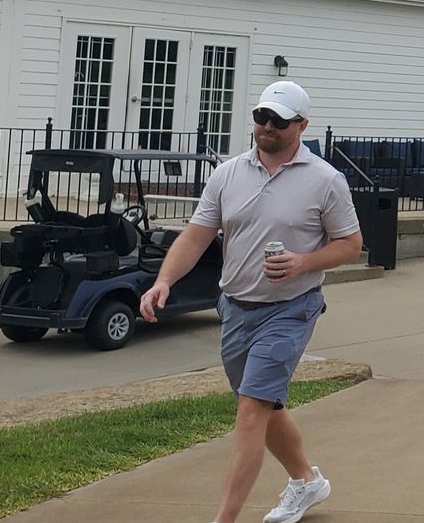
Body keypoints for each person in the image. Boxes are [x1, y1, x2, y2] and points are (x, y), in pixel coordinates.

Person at [138, 80, 362, 523]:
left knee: (249, 411)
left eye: (278, 121)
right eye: (261, 117)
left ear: (301, 125)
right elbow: (197, 235)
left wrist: (303, 262)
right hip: (236, 307)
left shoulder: (326, 181)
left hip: (291, 309)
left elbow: (351, 245)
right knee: (262, 405)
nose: (266, 126)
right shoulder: (228, 173)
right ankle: (306, 481)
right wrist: (163, 281)